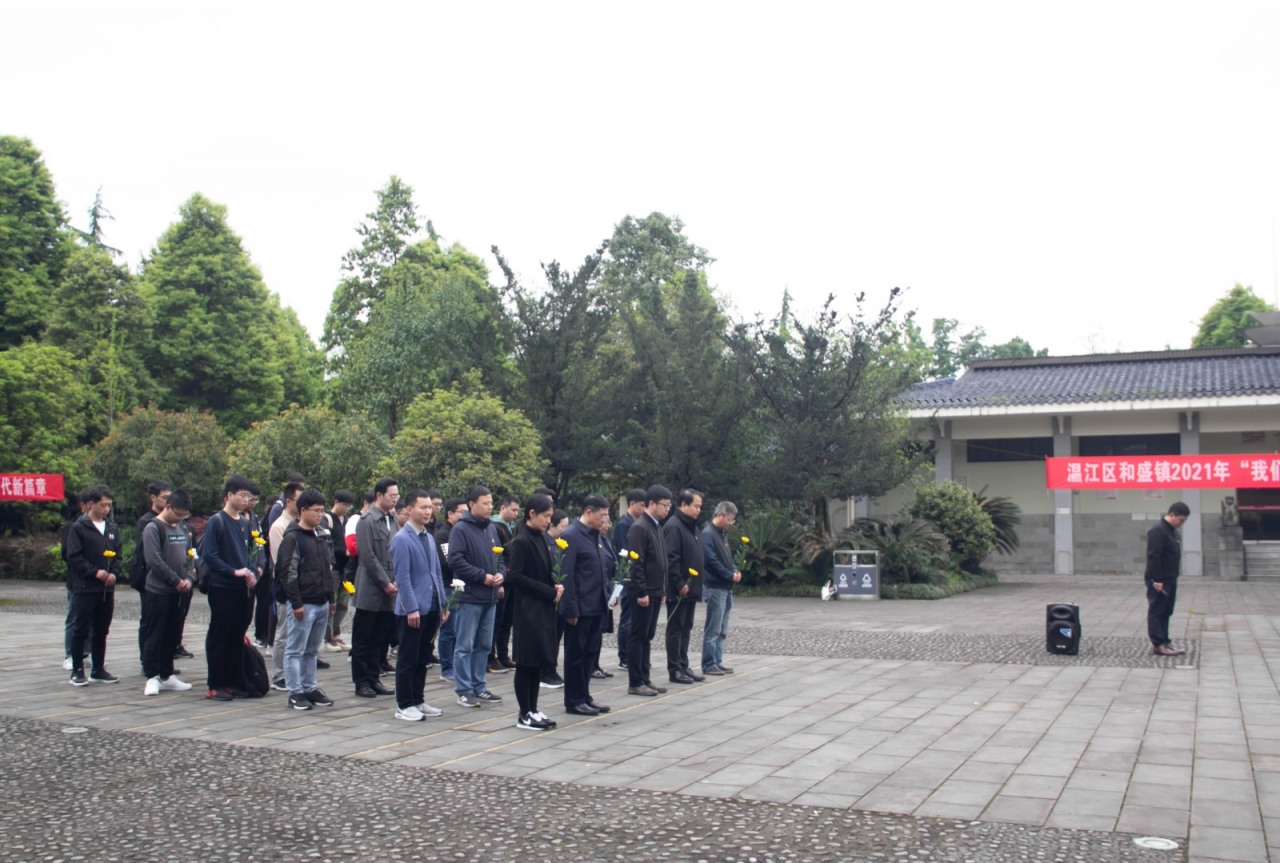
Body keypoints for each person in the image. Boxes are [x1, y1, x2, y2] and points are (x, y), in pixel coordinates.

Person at [388, 490, 447, 722]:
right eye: (423, 507)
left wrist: (443, 603)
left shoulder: (429, 538)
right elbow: (402, 578)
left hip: (431, 606)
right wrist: (411, 608)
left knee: (423, 657)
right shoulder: (402, 539)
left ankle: (418, 699)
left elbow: (436, 573)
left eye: (430, 507)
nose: (428, 511)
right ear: (409, 510)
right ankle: (404, 704)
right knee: (408, 657)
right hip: (412, 609)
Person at [200, 475, 259, 701]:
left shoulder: (244, 523)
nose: (246, 500)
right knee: (219, 635)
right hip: (222, 586)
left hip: (241, 588)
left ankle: (233, 680)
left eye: (249, 496)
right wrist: (234, 571)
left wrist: (251, 571)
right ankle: (215, 684)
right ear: (229, 496)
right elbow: (210, 556)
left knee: (236, 635)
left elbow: (248, 554)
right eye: (242, 495)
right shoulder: (217, 521)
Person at [505, 494, 561, 730]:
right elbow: (515, 576)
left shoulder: (543, 539)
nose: (548, 521)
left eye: (550, 517)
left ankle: (533, 709)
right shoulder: (522, 541)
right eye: (546, 516)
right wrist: (547, 591)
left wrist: (556, 585)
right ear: (532, 514)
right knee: (526, 664)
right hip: (528, 611)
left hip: (544, 609)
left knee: (537, 663)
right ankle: (524, 713)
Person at [447, 485, 506, 708]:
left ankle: (479, 686)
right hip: (470, 596)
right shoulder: (461, 529)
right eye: (485, 503)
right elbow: (456, 560)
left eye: (491, 503)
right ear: (472, 505)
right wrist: (482, 577)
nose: (490, 507)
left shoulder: (491, 529)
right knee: (465, 646)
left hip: (490, 597)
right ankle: (463, 689)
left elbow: (500, 557)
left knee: (483, 645)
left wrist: (500, 574)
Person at [278, 488, 337, 711]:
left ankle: (310, 687)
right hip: (304, 603)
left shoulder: (321, 534)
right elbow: (288, 573)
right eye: (316, 511)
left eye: (322, 511)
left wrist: (331, 598)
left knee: (312, 650)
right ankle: (295, 692)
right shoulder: (293, 537)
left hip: (321, 600)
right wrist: (296, 602)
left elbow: (327, 568)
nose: (320, 515)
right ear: (302, 511)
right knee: (295, 649)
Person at [558, 493, 614, 715]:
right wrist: (570, 608)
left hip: (597, 605)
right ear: (588, 512)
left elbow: (602, 569)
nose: (604, 520)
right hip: (580, 607)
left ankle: (585, 695)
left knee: (591, 653)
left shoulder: (595, 536)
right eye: (602, 515)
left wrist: (609, 594)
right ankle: (573, 699)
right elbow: (567, 575)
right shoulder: (572, 535)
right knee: (576, 654)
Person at [65, 485, 123, 686]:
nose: (106, 509)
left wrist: (114, 573)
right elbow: (74, 556)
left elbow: (118, 555)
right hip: (85, 586)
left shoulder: (112, 528)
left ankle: (98, 668)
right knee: (81, 628)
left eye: (109, 505)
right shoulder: (79, 528)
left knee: (102, 629)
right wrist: (94, 572)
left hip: (106, 589)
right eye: (102, 505)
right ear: (91, 504)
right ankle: (77, 669)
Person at [139, 490, 195, 696]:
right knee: (155, 634)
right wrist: (175, 580)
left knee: (173, 633)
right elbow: (154, 560)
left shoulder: (182, 528)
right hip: (159, 590)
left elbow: (191, 556)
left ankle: (167, 673)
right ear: (168, 507)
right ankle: (152, 675)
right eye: (178, 514)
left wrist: (189, 578)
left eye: (184, 516)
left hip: (180, 592)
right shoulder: (153, 528)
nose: (181, 519)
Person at [351, 478, 399, 698]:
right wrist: (385, 582)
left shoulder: (393, 520)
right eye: (392, 495)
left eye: (397, 496)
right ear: (379, 496)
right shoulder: (367, 520)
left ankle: (374, 678)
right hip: (371, 587)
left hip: (390, 588)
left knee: (380, 637)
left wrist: (396, 580)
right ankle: (361, 681)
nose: (395, 499)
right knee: (364, 638)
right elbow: (368, 556)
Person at [625, 485, 673, 697]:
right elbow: (636, 563)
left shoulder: (656, 526)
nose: (667, 509)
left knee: (647, 635)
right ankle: (635, 681)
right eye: (665, 505)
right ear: (651, 504)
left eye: (669, 505)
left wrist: (662, 589)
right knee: (638, 635)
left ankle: (645, 677)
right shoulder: (640, 527)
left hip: (655, 590)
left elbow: (660, 561)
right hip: (643, 593)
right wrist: (641, 591)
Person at [663, 489, 706, 684]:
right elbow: (671, 558)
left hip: (692, 588)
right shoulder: (674, 526)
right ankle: (675, 669)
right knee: (676, 628)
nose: (698, 510)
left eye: (700, 507)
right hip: (679, 589)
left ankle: (683, 664)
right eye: (695, 506)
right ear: (683, 505)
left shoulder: (692, 527)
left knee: (686, 628)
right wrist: (679, 582)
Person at [130, 481, 172, 666]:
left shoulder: (173, 520)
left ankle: (165, 659)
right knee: (149, 620)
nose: (168, 501)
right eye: (164, 497)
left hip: (170, 578)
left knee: (168, 621)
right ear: (153, 498)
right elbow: (148, 553)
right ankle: (146, 660)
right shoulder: (147, 522)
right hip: (150, 578)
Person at [267, 482, 303, 690]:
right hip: (286, 586)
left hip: (302, 586)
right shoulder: (280, 526)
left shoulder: (299, 524)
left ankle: (292, 672)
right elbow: (283, 562)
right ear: (288, 501)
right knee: (284, 631)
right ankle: (279, 674)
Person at [701, 501, 741, 675]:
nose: (731, 524)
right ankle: (709, 663)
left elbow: (727, 557)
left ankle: (717, 660)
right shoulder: (707, 534)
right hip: (715, 586)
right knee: (713, 628)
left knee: (723, 628)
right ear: (719, 515)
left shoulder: (722, 533)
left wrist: (734, 570)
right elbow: (711, 561)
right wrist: (728, 574)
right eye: (729, 520)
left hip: (726, 587)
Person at [1145, 501, 1190, 656]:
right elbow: (1154, 556)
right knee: (1157, 611)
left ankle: (1165, 640)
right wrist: (1157, 579)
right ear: (1172, 515)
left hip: (1170, 578)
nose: (1181, 523)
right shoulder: (1158, 530)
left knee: (1167, 611)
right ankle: (1157, 643)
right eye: (1181, 520)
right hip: (1159, 579)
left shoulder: (1173, 531)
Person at [434, 497, 468, 684]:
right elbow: (448, 563)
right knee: (448, 630)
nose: (465, 516)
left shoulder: (461, 532)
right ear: (450, 514)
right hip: (448, 586)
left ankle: (456, 665)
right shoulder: (443, 535)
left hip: (460, 585)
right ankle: (446, 667)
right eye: (461, 512)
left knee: (458, 630)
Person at [612, 488, 645, 670]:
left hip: (635, 575)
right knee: (627, 618)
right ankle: (624, 656)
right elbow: (624, 552)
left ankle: (630, 654)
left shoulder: (637, 522)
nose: (643, 508)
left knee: (634, 618)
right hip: (627, 576)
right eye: (641, 505)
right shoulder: (623, 524)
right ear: (632, 504)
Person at [488, 493, 520, 673]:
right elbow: (496, 556)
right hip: (501, 578)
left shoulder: (510, 527)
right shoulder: (495, 527)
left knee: (507, 620)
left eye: (517, 510)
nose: (515, 513)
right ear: (503, 508)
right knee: (497, 621)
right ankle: (491, 657)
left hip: (510, 579)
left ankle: (503, 655)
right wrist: (498, 581)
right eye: (513, 509)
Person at [61, 490, 92, 671]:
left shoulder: (103, 526)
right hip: (77, 580)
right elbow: (68, 554)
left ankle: (86, 652)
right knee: (74, 618)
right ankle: (70, 654)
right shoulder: (73, 527)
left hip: (94, 581)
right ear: (83, 505)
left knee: (92, 620)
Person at [324, 489, 355, 651]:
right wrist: (344, 551)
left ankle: (336, 633)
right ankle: (327, 637)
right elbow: (328, 544)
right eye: (344, 505)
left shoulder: (347, 520)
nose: (346, 508)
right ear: (335, 502)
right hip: (334, 567)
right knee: (332, 602)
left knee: (343, 603)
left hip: (346, 567)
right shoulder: (327, 518)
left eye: (349, 506)